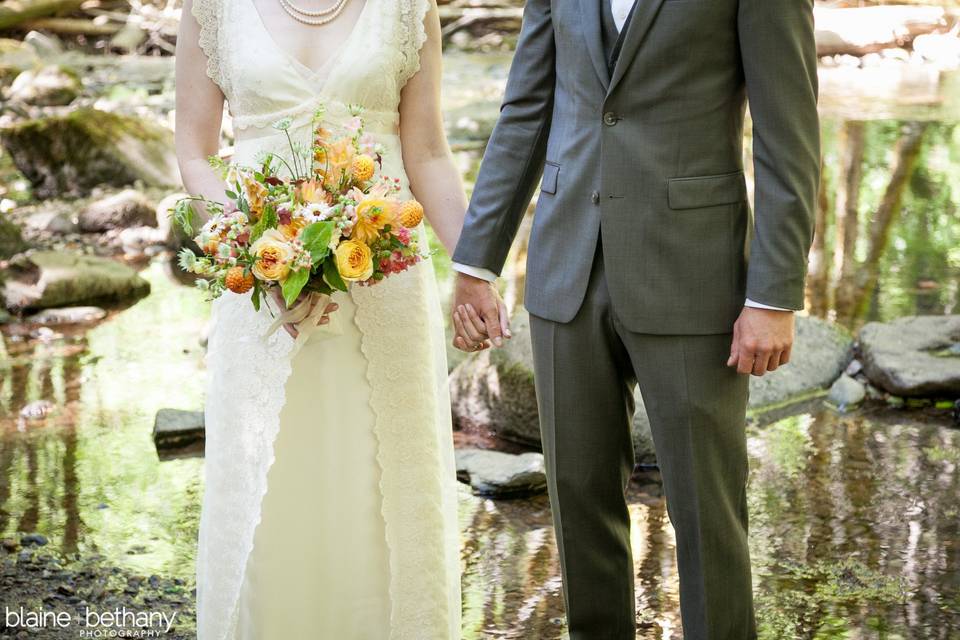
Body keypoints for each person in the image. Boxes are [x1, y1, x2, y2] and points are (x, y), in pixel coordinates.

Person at [450, 0, 820, 637]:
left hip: (692, 274)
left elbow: (790, 137)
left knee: (708, 512)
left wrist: (772, 297)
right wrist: (476, 261)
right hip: (564, 265)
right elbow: (526, 112)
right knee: (578, 498)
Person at [174, 0, 464, 636]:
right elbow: (194, 153)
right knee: (271, 488)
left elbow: (431, 155)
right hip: (259, 284)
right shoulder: (211, 8)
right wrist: (250, 248)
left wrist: (476, 270)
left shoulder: (411, 8)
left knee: (379, 491)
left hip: (382, 277)